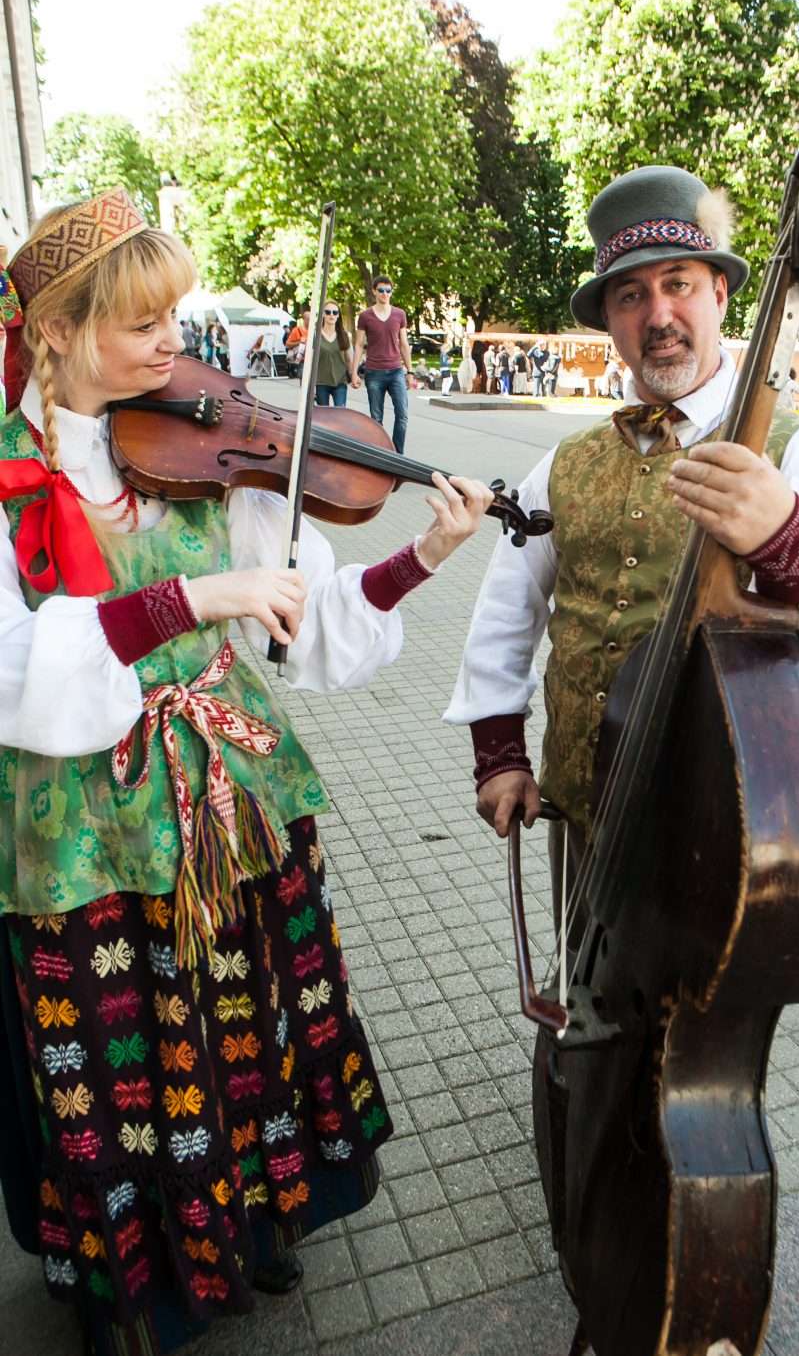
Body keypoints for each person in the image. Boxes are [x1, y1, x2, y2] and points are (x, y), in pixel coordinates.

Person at [0, 189, 494, 1356]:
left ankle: (260, 1218)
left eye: (177, 314)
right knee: (123, 1052)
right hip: (82, 828)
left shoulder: (204, 455)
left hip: (232, 796)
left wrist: (420, 557)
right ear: (57, 333)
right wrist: (184, 599)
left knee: (246, 1019)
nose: (176, 346)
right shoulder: (11, 478)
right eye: (141, 322)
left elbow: (299, 625)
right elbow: (15, 664)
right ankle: (138, 1280)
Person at [444, 164, 799, 938]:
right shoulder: (569, 460)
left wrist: (784, 536)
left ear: (720, 293)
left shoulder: (797, 448)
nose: (659, 314)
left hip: (721, 814)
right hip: (582, 806)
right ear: (610, 323)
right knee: (584, 999)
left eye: (678, 284)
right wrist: (499, 751)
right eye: (631, 295)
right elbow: (509, 604)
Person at [351, 278, 413, 453]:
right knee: (376, 418)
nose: (385, 293)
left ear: (392, 291)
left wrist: (410, 371)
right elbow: (358, 345)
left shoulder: (399, 314)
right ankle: (380, 454)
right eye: (381, 290)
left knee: (402, 415)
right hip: (374, 372)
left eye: (388, 290)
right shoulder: (365, 316)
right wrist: (354, 373)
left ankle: (397, 454)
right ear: (374, 291)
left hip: (396, 372)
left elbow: (404, 344)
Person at [314, 299, 353, 406]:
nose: (331, 315)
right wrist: (311, 385)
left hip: (340, 381)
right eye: (328, 312)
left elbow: (348, 359)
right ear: (322, 314)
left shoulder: (343, 335)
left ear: (338, 316)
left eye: (335, 312)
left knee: (340, 414)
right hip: (320, 382)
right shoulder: (315, 335)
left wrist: (354, 375)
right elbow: (310, 362)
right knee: (323, 417)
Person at [285, 311, 309, 380]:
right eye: (308, 319)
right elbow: (287, 345)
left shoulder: (315, 331)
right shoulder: (296, 330)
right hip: (302, 360)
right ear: (304, 320)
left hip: (313, 359)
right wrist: (299, 342)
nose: (310, 321)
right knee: (303, 378)